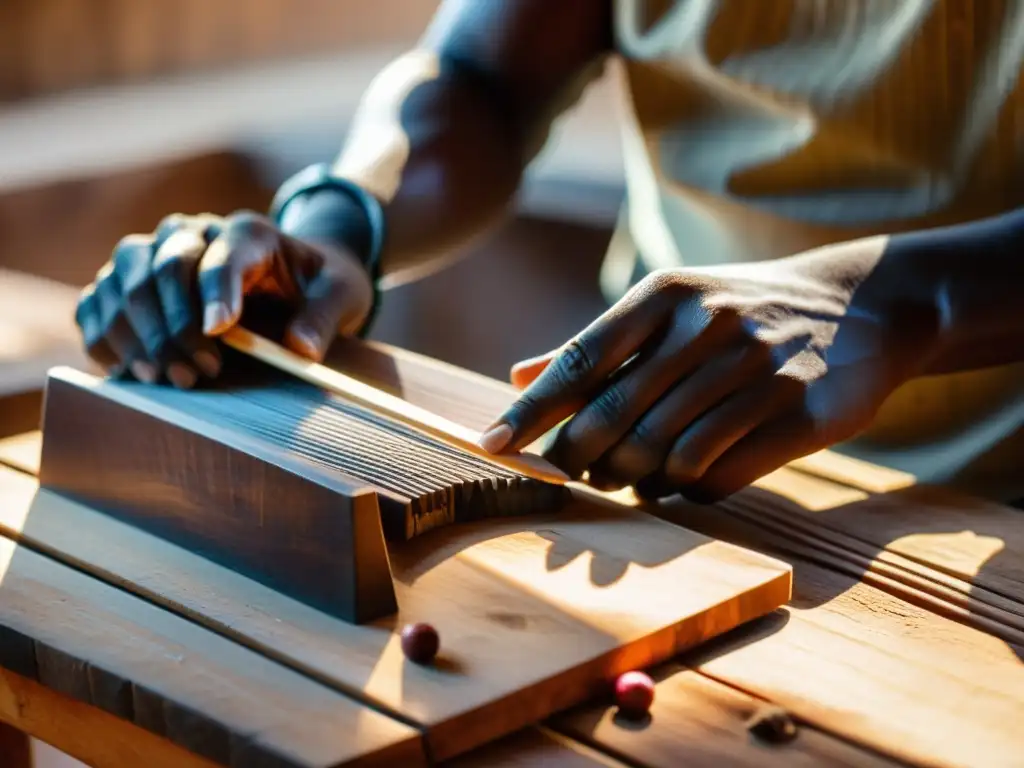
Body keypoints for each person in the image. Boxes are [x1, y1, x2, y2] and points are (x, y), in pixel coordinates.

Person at [74, 0, 1024, 504]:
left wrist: (902, 302)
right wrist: (340, 220)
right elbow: (481, 78)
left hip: (996, 502)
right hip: (663, 447)